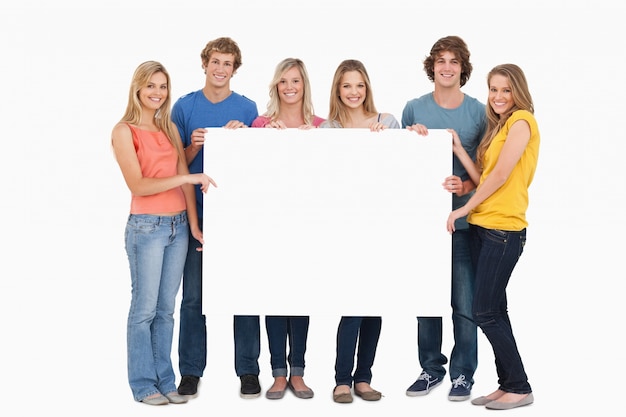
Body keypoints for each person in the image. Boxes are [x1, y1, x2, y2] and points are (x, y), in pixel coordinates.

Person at [111, 60, 217, 405]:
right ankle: (143, 384)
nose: (157, 93)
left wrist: (195, 225)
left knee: (166, 310)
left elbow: (184, 173)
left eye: (163, 86)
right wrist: (187, 178)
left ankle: (166, 380)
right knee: (143, 310)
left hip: (178, 227)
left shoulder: (169, 128)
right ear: (137, 89)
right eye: (151, 86)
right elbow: (138, 185)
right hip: (146, 227)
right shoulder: (124, 130)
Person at [171, 37, 261, 399]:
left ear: (234, 69)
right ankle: (191, 371)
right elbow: (177, 163)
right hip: (196, 215)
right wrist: (194, 145)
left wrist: (244, 139)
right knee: (194, 297)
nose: (220, 69)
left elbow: (260, 164)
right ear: (205, 63)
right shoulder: (184, 106)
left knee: (245, 294)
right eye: (215, 62)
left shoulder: (248, 107)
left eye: (227, 63)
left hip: (240, 217)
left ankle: (248, 370)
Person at [446, 63, 539, 410]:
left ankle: (520, 386)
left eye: (506, 90)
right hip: (485, 227)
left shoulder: (522, 121)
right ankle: (507, 385)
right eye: (494, 90)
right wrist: (458, 149)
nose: (498, 96)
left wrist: (462, 209)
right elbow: (484, 173)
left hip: (504, 230)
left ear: (518, 92)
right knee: (495, 309)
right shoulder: (500, 126)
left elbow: (500, 175)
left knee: (483, 311)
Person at [402, 35, 486, 402]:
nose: (447, 67)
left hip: (467, 222)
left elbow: (488, 168)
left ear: (463, 68)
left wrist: (464, 182)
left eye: (454, 61)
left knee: (464, 303)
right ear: (432, 66)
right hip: (422, 224)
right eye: (441, 60)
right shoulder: (413, 108)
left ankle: (463, 374)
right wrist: (411, 139)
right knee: (425, 299)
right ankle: (430, 369)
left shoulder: (479, 112)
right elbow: (400, 162)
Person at [319, 59, 400, 403]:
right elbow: (322, 178)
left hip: (382, 226)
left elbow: (405, 167)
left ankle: (364, 377)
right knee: (352, 302)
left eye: (360, 85)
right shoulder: (329, 130)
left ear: (368, 88)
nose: (354, 92)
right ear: (338, 89)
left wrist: (398, 141)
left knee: (374, 305)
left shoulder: (388, 122)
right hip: (345, 228)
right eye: (347, 85)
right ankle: (341, 379)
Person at [251, 57, 323, 400]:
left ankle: (298, 372)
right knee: (275, 298)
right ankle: (277, 373)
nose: (290, 87)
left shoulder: (322, 125)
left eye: (296, 81)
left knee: (301, 299)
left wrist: (317, 143)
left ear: (304, 85)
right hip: (271, 227)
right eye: (284, 81)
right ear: (276, 86)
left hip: (310, 226)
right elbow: (244, 168)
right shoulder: (262, 123)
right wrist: (256, 137)